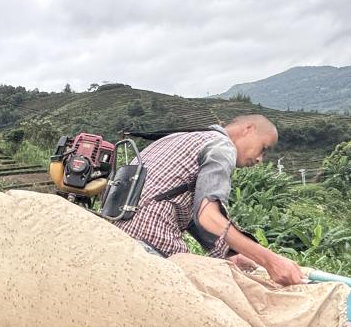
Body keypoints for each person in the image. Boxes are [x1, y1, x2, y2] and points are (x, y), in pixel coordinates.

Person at [116, 114, 305, 286]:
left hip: (117, 232)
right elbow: (208, 216)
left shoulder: (179, 138)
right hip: (151, 241)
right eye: (263, 149)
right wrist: (271, 261)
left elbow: (183, 207)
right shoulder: (222, 146)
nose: (260, 160)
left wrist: (231, 253)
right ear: (248, 129)